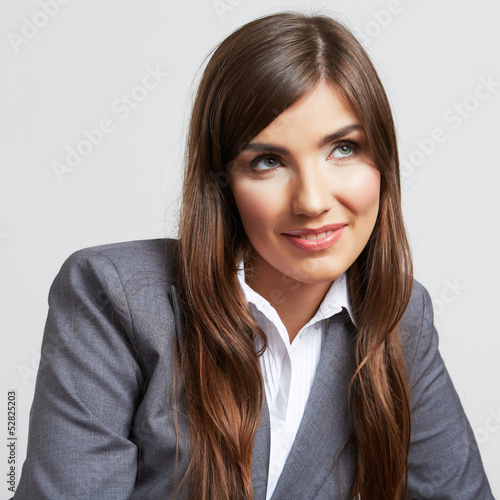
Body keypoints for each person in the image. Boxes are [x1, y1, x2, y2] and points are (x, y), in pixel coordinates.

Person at [12, 11, 494, 500]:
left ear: (384, 161)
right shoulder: (114, 296)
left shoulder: (400, 314)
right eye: (268, 161)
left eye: (343, 149)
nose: (311, 200)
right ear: (223, 185)